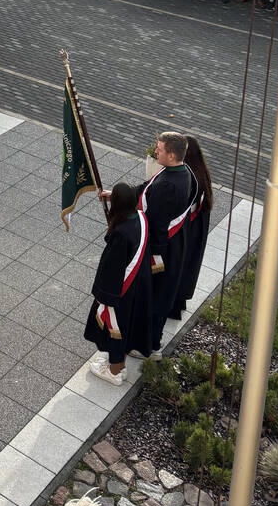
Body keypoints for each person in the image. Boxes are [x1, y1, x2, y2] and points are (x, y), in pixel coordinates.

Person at [84, 183, 153, 386]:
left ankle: (114, 371)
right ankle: (120, 366)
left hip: (121, 291)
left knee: (116, 328)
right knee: (127, 326)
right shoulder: (142, 218)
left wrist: (103, 295)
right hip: (139, 286)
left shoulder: (121, 234)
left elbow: (111, 269)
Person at [139, 133, 198, 355]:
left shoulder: (168, 186)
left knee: (155, 296)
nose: (156, 151)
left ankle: (148, 345)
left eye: (160, 149)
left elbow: (156, 223)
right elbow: (147, 188)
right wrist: (116, 194)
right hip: (173, 245)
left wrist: (150, 254)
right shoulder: (183, 172)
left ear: (172, 155)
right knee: (160, 294)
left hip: (161, 252)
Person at [169, 137, 213, 319]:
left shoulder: (190, 180)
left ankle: (172, 305)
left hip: (186, 230)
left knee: (176, 268)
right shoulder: (201, 173)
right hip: (195, 230)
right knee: (186, 268)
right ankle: (178, 303)